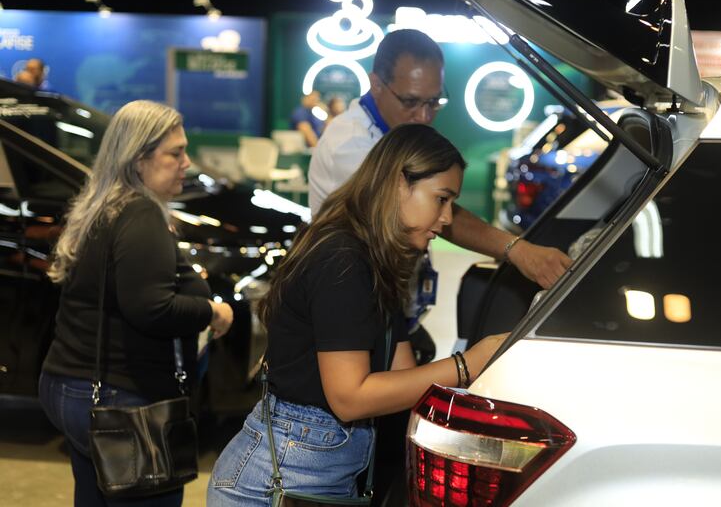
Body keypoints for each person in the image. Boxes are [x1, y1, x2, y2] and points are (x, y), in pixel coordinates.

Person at [207, 124, 508, 506]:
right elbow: (349, 398)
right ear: (400, 183)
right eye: (441, 199)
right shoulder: (342, 261)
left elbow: (400, 376)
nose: (447, 218)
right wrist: (467, 365)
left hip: (318, 478)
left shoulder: (377, 259)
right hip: (273, 485)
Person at [39, 100, 234, 507]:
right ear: (139, 159)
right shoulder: (140, 214)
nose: (187, 162)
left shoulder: (100, 208)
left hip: (70, 388)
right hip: (120, 399)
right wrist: (212, 311)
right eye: (175, 152)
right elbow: (152, 309)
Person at [308, 29, 572, 290]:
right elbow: (416, 213)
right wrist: (516, 250)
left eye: (434, 102)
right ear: (376, 84)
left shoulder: (394, 131)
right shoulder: (350, 145)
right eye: (410, 101)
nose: (424, 116)